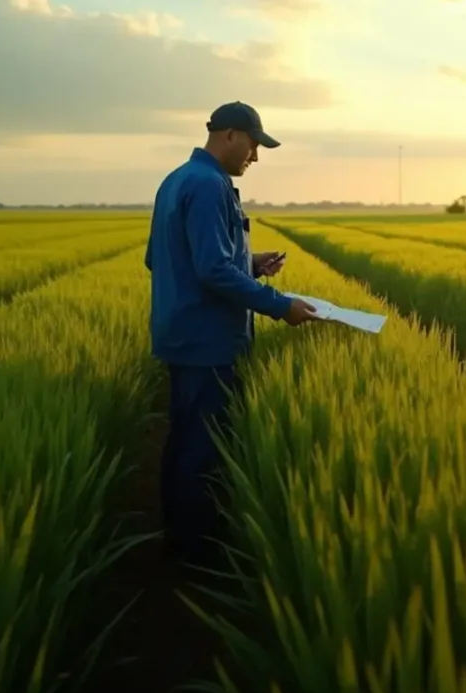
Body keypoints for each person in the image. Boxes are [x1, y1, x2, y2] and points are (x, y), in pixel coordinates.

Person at [144, 101, 319, 569]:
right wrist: (281, 306)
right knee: (203, 450)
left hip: (182, 335)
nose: (255, 158)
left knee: (182, 441)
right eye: (255, 145)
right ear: (230, 136)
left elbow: (162, 258)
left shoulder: (176, 180)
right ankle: (198, 558)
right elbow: (212, 270)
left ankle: (178, 543)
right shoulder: (209, 185)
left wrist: (248, 263)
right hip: (209, 342)